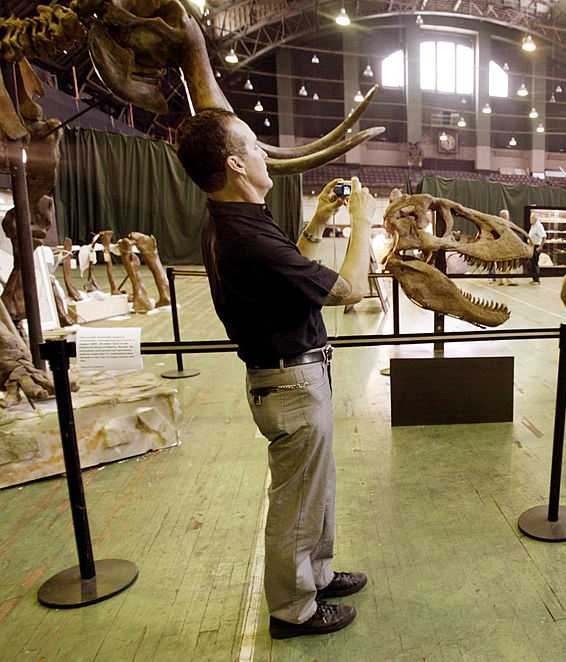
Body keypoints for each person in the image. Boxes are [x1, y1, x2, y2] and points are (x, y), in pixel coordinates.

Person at [175, 109, 371, 640]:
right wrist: (363, 223)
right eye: (255, 147)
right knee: (296, 502)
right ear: (236, 164)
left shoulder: (238, 220)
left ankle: (319, 575)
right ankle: (293, 610)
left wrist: (317, 223)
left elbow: (291, 274)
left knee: (315, 491)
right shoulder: (245, 237)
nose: (266, 153)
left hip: (293, 377)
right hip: (290, 384)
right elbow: (347, 290)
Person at [527, 212, 547, 284]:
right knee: (531, 263)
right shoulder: (533, 226)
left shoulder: (539, 226)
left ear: (535, 219)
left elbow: (544, 236)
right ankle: (533, 278)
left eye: (531, 218)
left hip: (536, 246)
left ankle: (537, 280)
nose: (530, 220)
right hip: (531, 246)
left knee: (534, 263)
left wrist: (540, 246)